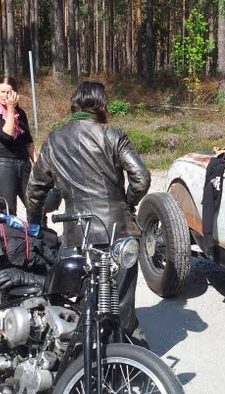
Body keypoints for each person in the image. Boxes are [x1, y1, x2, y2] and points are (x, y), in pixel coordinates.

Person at [24, 81, 151, 344]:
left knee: (86, 297)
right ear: (101, 105)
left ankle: (88, 351)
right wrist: (127, 203)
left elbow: (35, 189)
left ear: (74, 105)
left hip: (77, 233)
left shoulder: (54, 140)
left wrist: (35, 223)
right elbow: (141, 178)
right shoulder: (113, 135)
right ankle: (132, 350)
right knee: (122, 300)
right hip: (118, 229)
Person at [0, 76, 36, 216]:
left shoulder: (21, 114)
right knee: (8, 211)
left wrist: (38, 165)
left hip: (24, 164)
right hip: (5, 166)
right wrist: (11, 109)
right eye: (2, 91)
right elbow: (7, 134)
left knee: (36, 207)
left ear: (15, 93)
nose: (5, 96)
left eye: (9, 92)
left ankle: (37, 230)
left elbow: (28, 141)